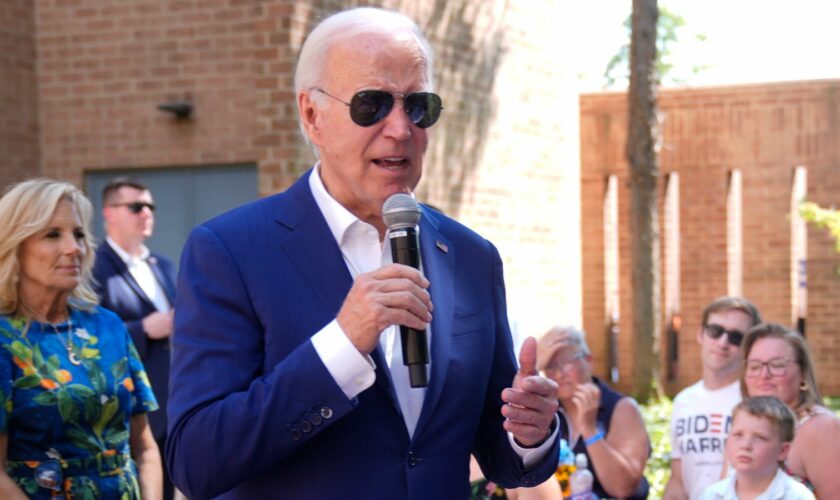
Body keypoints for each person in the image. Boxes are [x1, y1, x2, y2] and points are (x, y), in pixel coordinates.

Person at [166, 7, 560, 499]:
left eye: (418, 105)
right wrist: (342, 344)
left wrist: (530, 433)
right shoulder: (229, 251)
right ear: (313, 115)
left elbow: (503, 458)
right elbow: (196, 461)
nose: (400, 128)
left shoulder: (470, 255)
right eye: (371, 104)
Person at [0, 179, 161, 499]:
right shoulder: (5, 339)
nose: (74, 247)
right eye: (52, 234)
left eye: (79, 234)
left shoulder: (108, 327)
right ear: (15, 246)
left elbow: (145, 449)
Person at [92, 177, 177, 499]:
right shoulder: (95, 268)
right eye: (136, 206)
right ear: (109, 213)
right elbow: (89, 335)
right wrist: (142, 329)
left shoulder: (163, 265)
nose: (147, 213)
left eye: (150, 206)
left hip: (170, 406)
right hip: (127, 411)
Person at [522, 326, 650, 499]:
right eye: (551, 366)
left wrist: (590, 430)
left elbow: (622, 488)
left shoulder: (621, 408)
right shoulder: (550, 413)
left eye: (567, 363)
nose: (559, 374)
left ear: (588, 361)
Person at [664, 296, 762, 500]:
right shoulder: (683, 401)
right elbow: (678, 479)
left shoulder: (754, 400)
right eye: (715, 332)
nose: (723, 343)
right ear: (701, 334)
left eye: (736, 337)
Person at [740, 322, 840, 497]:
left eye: (777, 365)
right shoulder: (743, 428)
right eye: (755, 366)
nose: (764, 375)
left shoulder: (820, 428)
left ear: (802, 375)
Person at [699, 396, 815, 499]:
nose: (745, 445)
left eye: (760, 438)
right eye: (738, 434)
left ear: (782, 451)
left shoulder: (797, 496)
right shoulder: (712, 495)